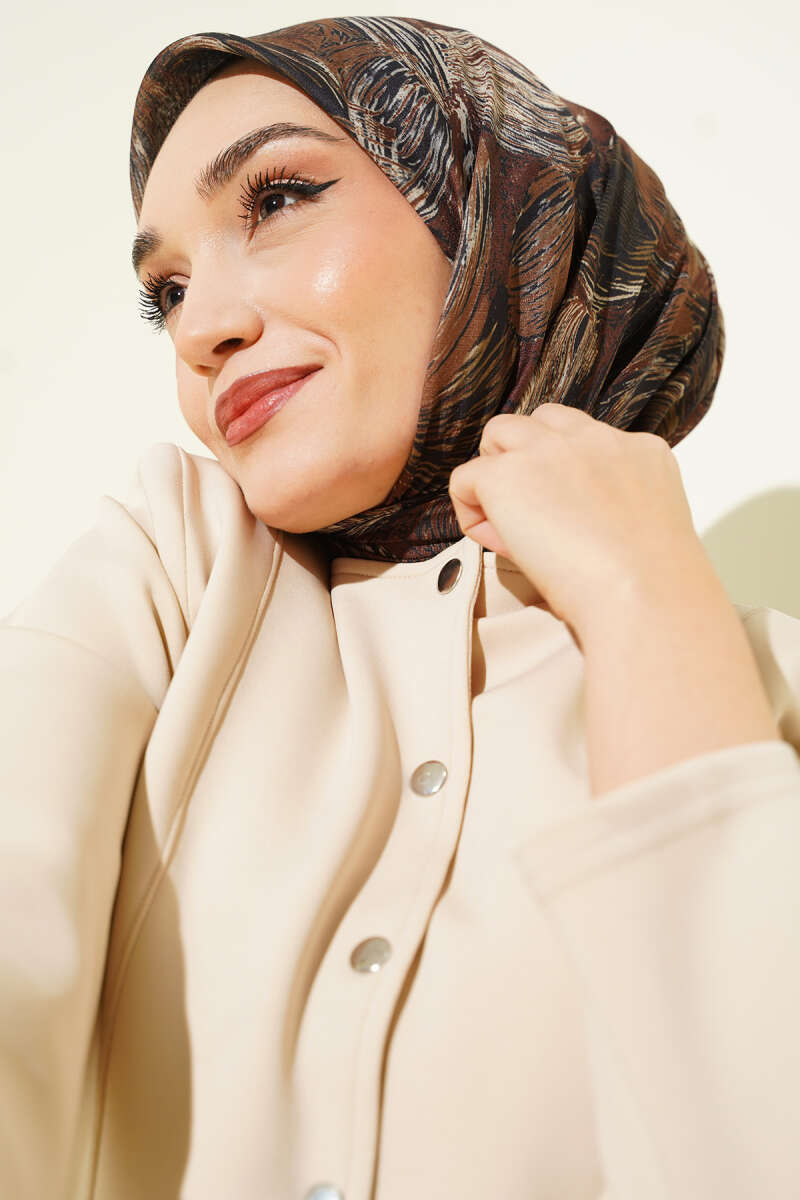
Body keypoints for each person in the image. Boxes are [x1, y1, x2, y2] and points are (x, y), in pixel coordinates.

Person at [2, 14, 799, 1200]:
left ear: (491, 208)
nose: (202, 329)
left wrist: (643, 590)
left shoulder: (766, 699)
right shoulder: (173, 568)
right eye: (165, 292)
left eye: (277, 199)